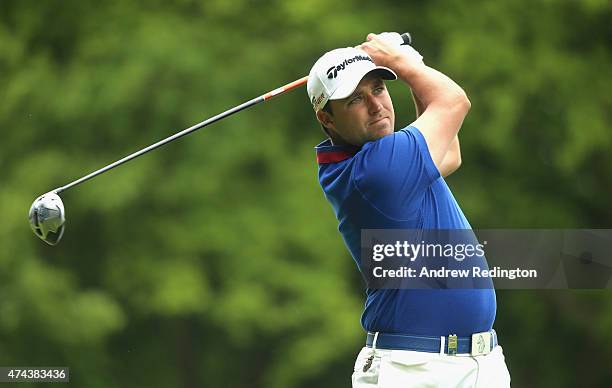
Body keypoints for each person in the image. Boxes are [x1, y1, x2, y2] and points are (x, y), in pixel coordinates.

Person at [307, 33, 512, 387]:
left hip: (476, 363)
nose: (376, 106)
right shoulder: (379, 168)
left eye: (378, 89)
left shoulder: (382, 159)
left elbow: (449, 154)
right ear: (327, 118)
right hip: (415, 369)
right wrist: (401, 60)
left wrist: (406, 59)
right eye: (356, 99)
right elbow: (453, 102)